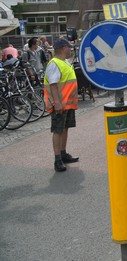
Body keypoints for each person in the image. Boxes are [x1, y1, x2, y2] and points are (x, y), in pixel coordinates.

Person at [44, 38, 79, 172]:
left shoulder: (64, 62)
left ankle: (63, 154)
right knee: (58, 130)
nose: (70, 49)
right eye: (69, 47)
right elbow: (53, 85)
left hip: (67, 104)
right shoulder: (54, 63)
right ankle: (57, 159)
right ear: (64, 48)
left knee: (65, 128)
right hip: (60, 104)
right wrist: (56, 103)